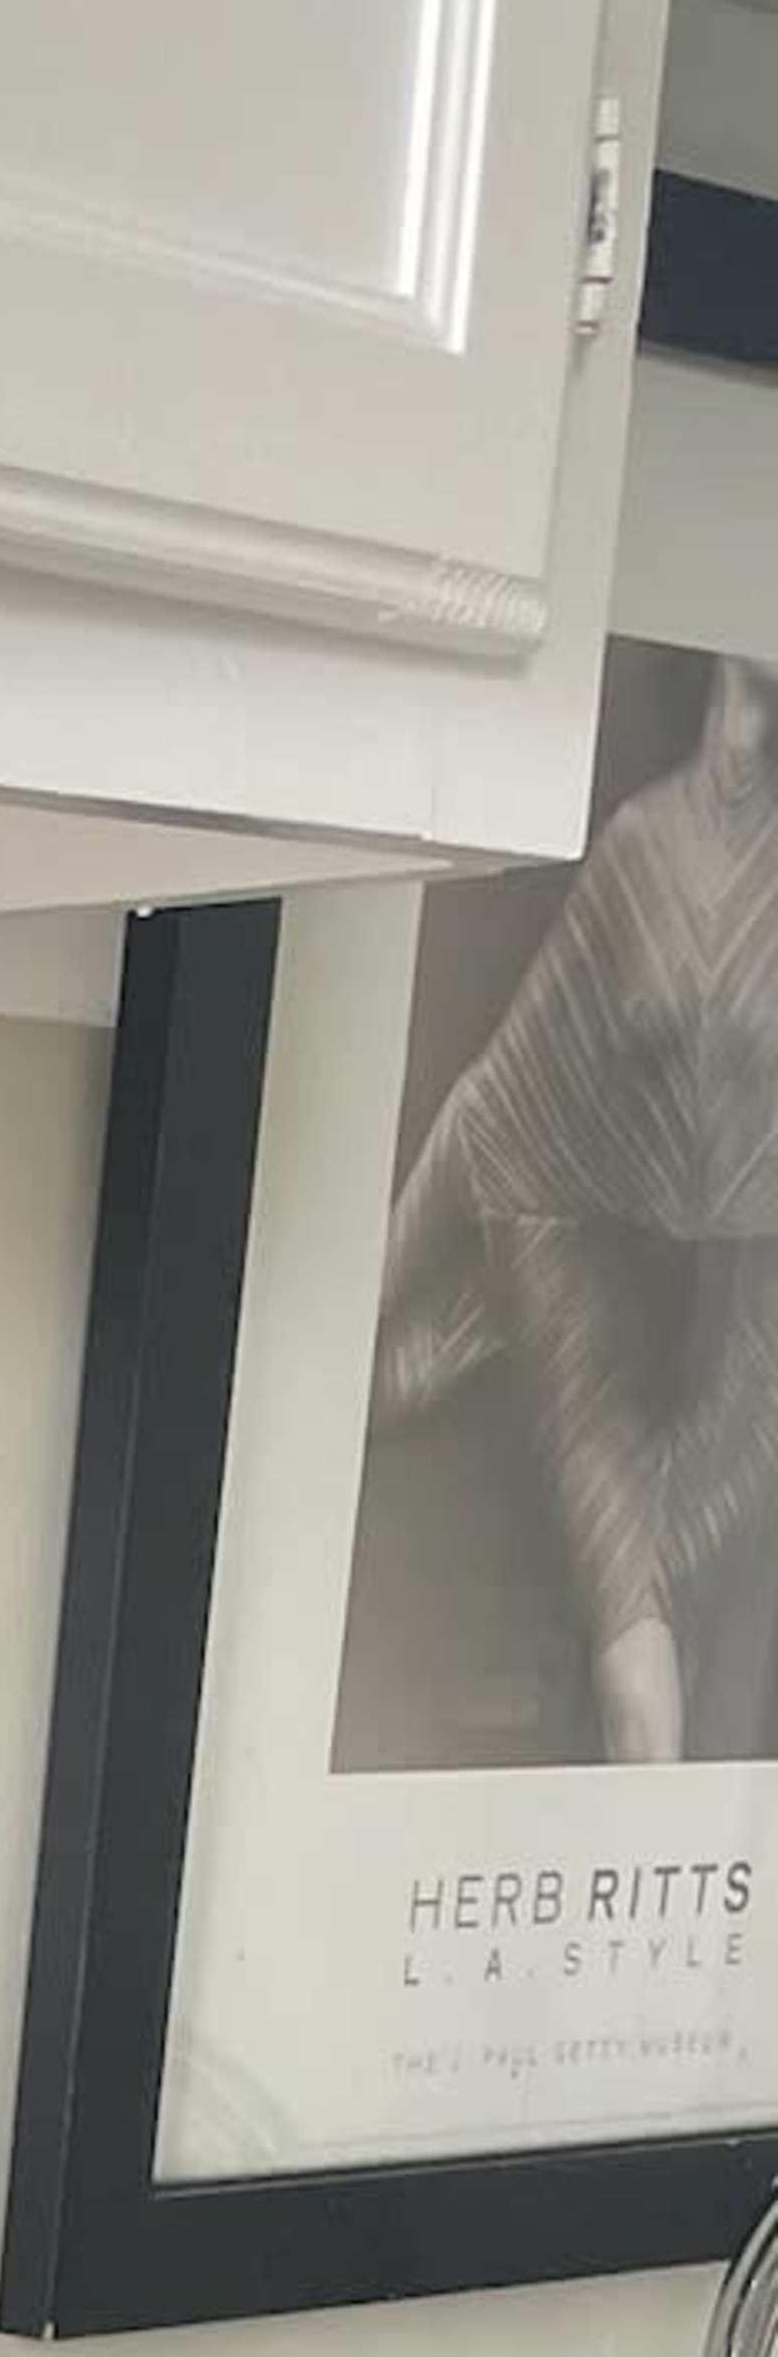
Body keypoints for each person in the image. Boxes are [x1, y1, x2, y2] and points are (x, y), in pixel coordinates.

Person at [371, 658, 778, 1764]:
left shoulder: (684, 852)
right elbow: (505, 1099)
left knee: (647, 1588)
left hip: (715, 1296)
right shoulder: (648, 852)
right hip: (566, 1241)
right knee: (632, 1603)